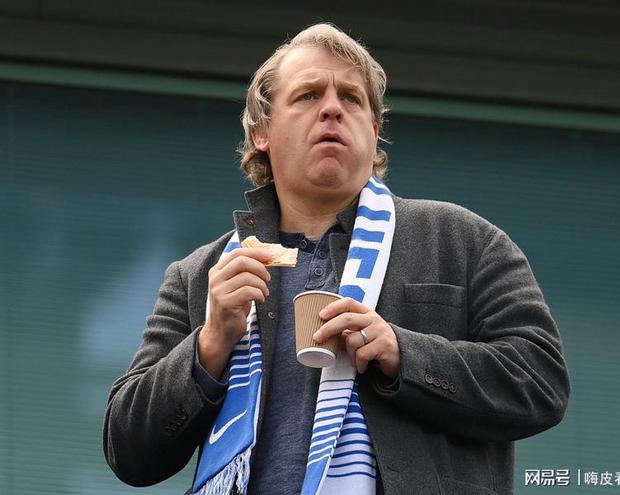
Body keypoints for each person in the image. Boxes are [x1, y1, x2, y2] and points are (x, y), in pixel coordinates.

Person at [103, 23, 570, 495]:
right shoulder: (200, 277)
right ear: (261, 132)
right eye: (308, 95)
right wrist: (209, 346)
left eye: (351, 98)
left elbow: (541, 382)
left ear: (373, 131)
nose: (332, 108)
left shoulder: (462, 240)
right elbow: (128, 451)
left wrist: (402, 353)